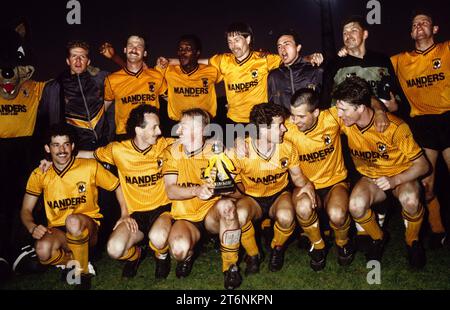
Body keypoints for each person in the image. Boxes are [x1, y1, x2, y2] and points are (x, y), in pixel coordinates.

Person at [333, 76, 430, 268]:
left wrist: (395, 180)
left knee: (410, 200)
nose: (339, 113)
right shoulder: (344, 120)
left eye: (343, 109)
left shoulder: (395, 128)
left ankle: (413, 242)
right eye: (338, 108)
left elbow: (423, 165)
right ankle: (378, 238)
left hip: (401, 175)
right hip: (371, 177)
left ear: (360, 107)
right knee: (355, 205)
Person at [20, 123, 126, 289]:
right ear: (48, 149)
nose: (62, 150)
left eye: (66, 144)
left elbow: (117, 186)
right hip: (58, 231)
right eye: (56, 145)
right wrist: (32, 226)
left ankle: (82, 274)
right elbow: (26, 210)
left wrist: (125, 213)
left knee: (73, 221)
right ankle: (73, 262)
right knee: (42, 250)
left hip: (88, 229)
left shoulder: (88, 166)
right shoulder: (40, 174)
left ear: (73, 146)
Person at [77, 104, 173, 279]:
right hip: (134, 214)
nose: (159, 131)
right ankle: (135, 256)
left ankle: (162, 256)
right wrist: (53, 160)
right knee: (114, 249)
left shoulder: (164, 145)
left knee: (158, 238)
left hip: (162, 209)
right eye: (154, 127)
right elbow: (89, 155)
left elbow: (194, 144)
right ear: (138, 130)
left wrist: (228, 144)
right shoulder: (118, 150)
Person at [228, 103, 316, 274]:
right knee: (239, 215)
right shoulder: (241, 151)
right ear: (262, 130)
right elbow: (229, 183)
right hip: (252, 197)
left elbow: (297, 177)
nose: (284, 129)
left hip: (278, 195)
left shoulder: (287, 147)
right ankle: (253, 255)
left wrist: (307, 184)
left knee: (286, 216)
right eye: (279, 126)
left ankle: (277, 248)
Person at [162, 108, 242, 290]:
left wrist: (222, 187)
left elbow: (239, 192)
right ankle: (189, 255)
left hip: (211, 215)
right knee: (179, 251)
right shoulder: (172, 152)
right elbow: (171, 191)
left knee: (228, 206)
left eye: (184, 127)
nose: (178, 131)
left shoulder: (218, 151)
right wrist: (197, 190)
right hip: (186, 217)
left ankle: (230, 266)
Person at [390, 10, 450, 249]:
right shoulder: (399, 59)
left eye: (425, 22)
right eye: (415, 24)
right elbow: (369, 64)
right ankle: (438, 230)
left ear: (434, 29)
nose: (419, 26)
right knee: (426, 186)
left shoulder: (446, 50)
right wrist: (344, 54)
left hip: (448, 117)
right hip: (423, 123)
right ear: (411, 32)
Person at [284, 88, 353, 268]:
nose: (295, 120)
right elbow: (260, 134)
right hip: (305, 185)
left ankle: (342, 243)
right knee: (302, 207)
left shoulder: (332, 118)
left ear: (315, 112)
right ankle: (318, 245)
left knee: (338, 215)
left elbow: (361, 111)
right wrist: (236, 142)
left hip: (334, 182)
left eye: (300, 116)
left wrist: (378, 112)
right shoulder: (287, 129)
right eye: (292, 115)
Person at [322, 15, 405, 113]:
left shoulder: (382, 60)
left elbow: (397, 92)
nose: (348, 35)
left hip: (382, 122)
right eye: (345, 33)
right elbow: (325, 100)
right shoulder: (334, 64)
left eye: (353, 30)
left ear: (365, 34)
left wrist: (396, 107)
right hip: (347, 125)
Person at [38, 40, 111, 151]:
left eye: (82, 56)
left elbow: (128, 78)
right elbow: (43, 124)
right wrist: (47, 156)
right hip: (75, 150)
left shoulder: (102, 79)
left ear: (88, 61)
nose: (78, 60)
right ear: (68, 61)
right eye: (74, 56)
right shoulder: (54, 87)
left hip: (103, 146)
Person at [104, 35, 166, 140]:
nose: (134, 49)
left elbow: (173, 100)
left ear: (145, 53)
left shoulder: (156, 76)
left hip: (151, 133)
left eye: (139, 46)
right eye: (130, 45)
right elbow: (102, 108)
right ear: (125, 50)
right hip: (124, 135)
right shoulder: (111, 79)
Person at [268, 29, 323, 110]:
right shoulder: (274, 76)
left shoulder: (315, 70)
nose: (282, 49)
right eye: (279, 46)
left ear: (298, 47)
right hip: (285, 122)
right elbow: (271, 107)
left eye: (286, 44)